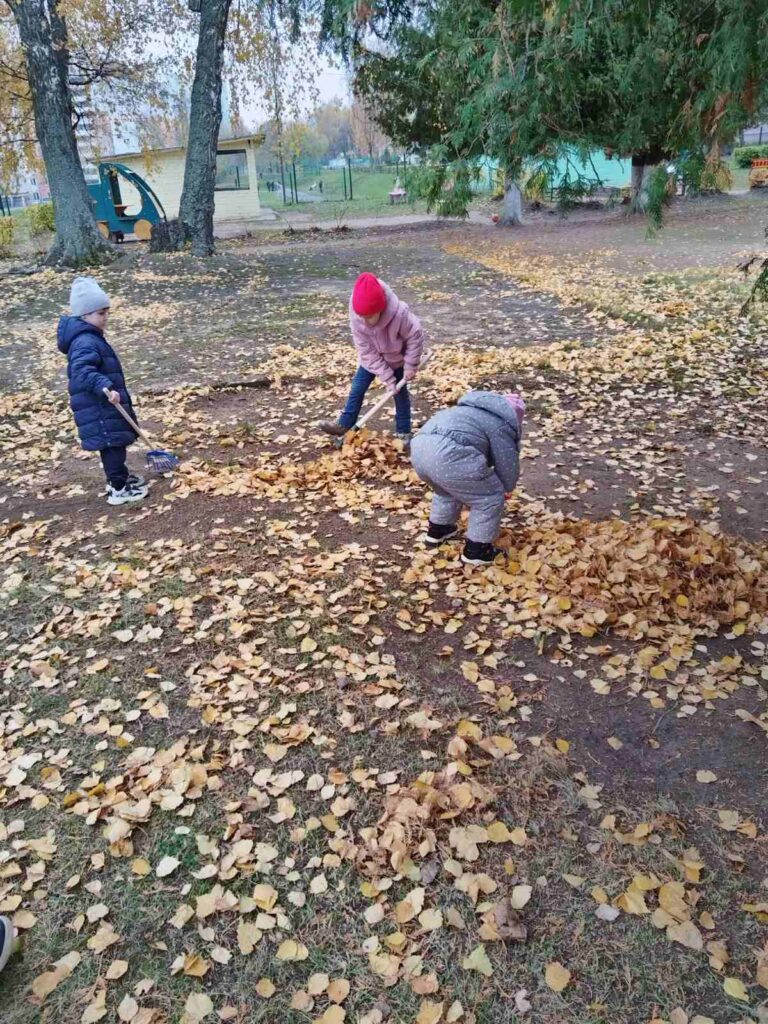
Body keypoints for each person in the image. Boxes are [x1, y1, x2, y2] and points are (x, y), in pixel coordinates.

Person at [57, 277, 148, 506]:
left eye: (107, 312)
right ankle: (118, 489)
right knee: (112, 446)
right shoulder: (85, 341)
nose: (106, 317)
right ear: (84, 315)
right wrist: (103, 386)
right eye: (100, 313)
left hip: (103, 405)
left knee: (115, 444)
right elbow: (82, 370)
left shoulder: (90, 337)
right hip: (99, 406)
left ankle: (119, 478)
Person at [410, 391, 525, 565]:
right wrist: (506, 487)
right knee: (489, 498)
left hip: (419, 450)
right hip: (450, 454)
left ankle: (439, 530)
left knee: (447, 489)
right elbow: (507, 462)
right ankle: (477, 551)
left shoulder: (464, 411)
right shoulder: (501, 424)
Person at [319, 272, 424, 447]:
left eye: (369, 317)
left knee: (400, 394)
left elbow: (415, 336)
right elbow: (366, 351)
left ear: (381, 309)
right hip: (371, 359)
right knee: (357, 388)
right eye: (362, 316)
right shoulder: (357, 317)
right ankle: (344, 425)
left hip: (397, 358)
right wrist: (387, 377)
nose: (365, 321)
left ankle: (404, 432)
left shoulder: (399, 314)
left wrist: (410, 365)